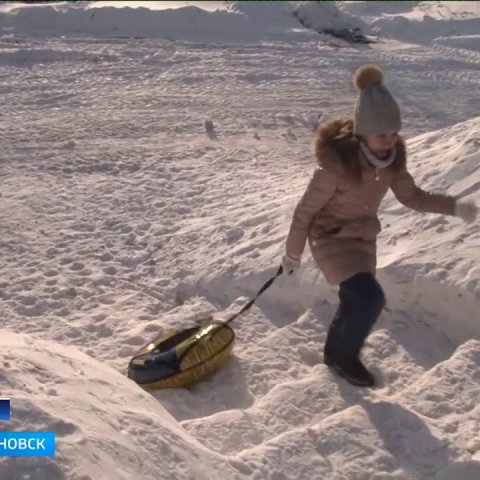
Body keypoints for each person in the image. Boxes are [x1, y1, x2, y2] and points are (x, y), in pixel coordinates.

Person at [282, 64, 478, 387]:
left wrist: (453, 207)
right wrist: (292, 254)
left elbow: (412, 196)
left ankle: (334, 351)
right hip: (330, 238)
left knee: (355, 298)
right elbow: (304, 213)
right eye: (381, 134)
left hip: (362, 241)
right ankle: (344, 357)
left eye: (394, 133)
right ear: (363, 132)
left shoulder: (392, 161)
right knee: (369, 297)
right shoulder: (336, 165)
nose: (389, 140)